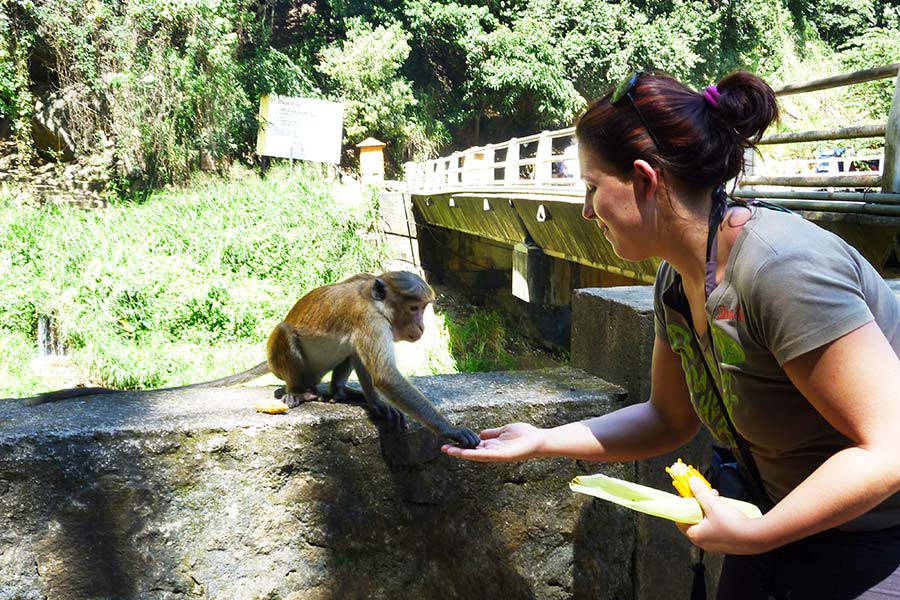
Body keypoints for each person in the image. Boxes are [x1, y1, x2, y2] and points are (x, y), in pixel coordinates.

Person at [442, 70, 900, 599]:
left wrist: (757, 533)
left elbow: (889, 448)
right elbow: (668, 417)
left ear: (644, 179)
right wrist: (542, 442)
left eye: (592, 188)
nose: (586, 210)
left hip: (873, 539)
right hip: (767, 516)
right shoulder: (677, 281)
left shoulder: (783, 270)